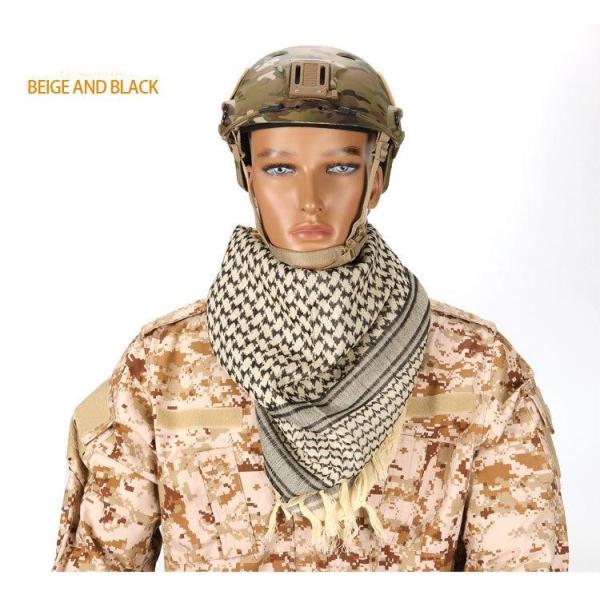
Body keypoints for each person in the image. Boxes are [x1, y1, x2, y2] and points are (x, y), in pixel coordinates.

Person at [51, 45, 569, 572]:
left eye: (340, 167)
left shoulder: (479, 366)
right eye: (279, 169)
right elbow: (99, 572)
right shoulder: (163, 364)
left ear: (376, 179)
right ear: (248, 176)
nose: (309, 199)